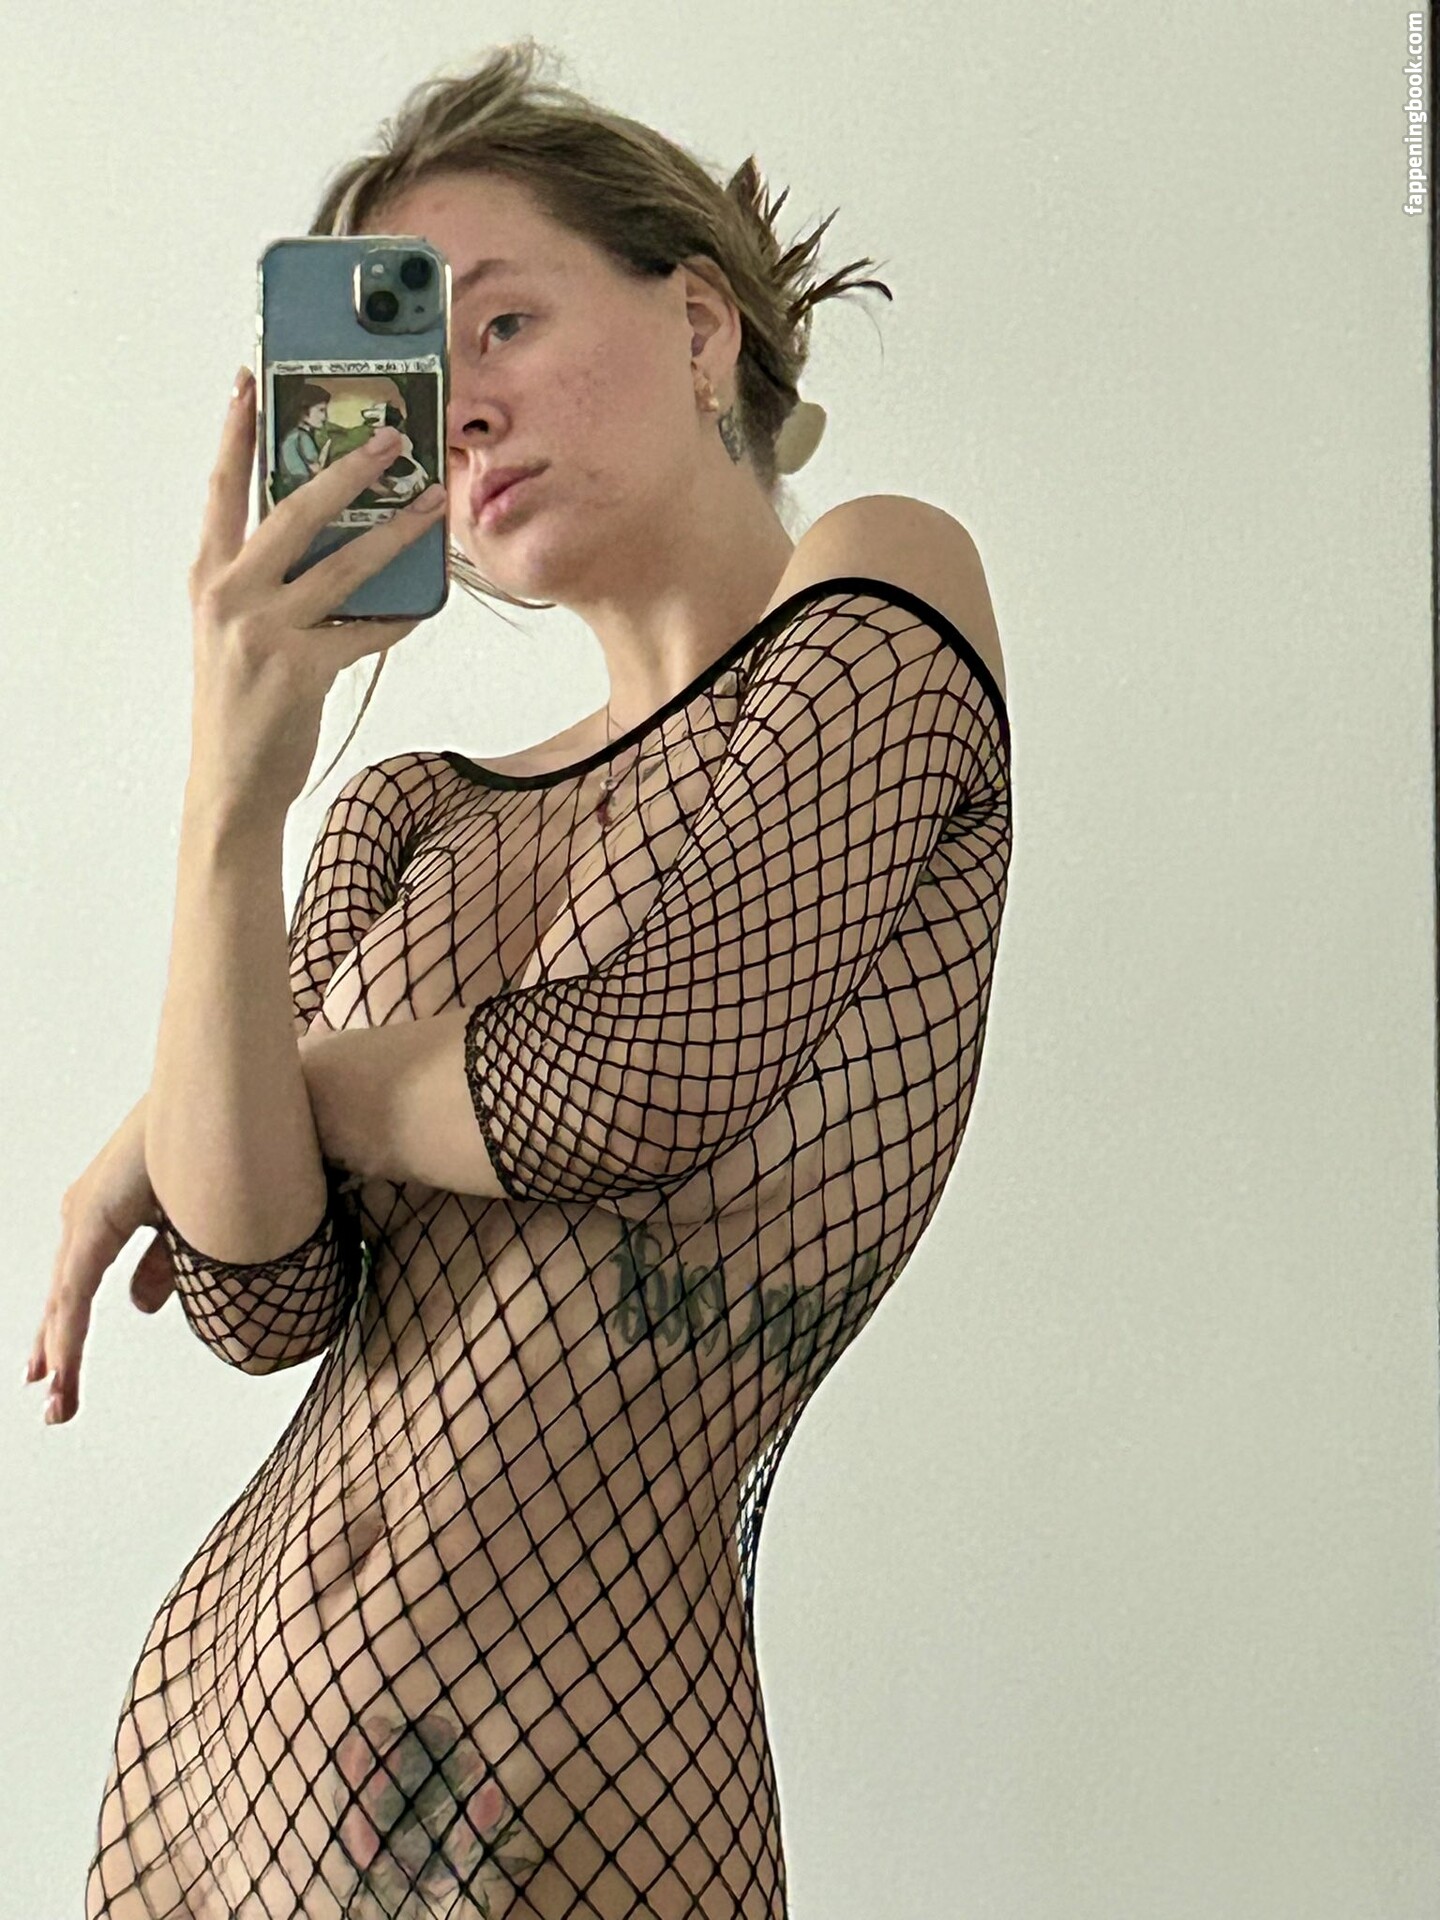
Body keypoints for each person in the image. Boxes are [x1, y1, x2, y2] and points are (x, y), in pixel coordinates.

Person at [35, 39, 1012, 1920]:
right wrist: (235, 794)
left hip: (568, 1794)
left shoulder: (887, 581)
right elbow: (258, 1291)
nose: (459, 411)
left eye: (501, 323)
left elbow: (635, 1074)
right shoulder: (405, 812)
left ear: (702, 326)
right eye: (415, 371)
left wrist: (218, 1099)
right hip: (201, 1775)